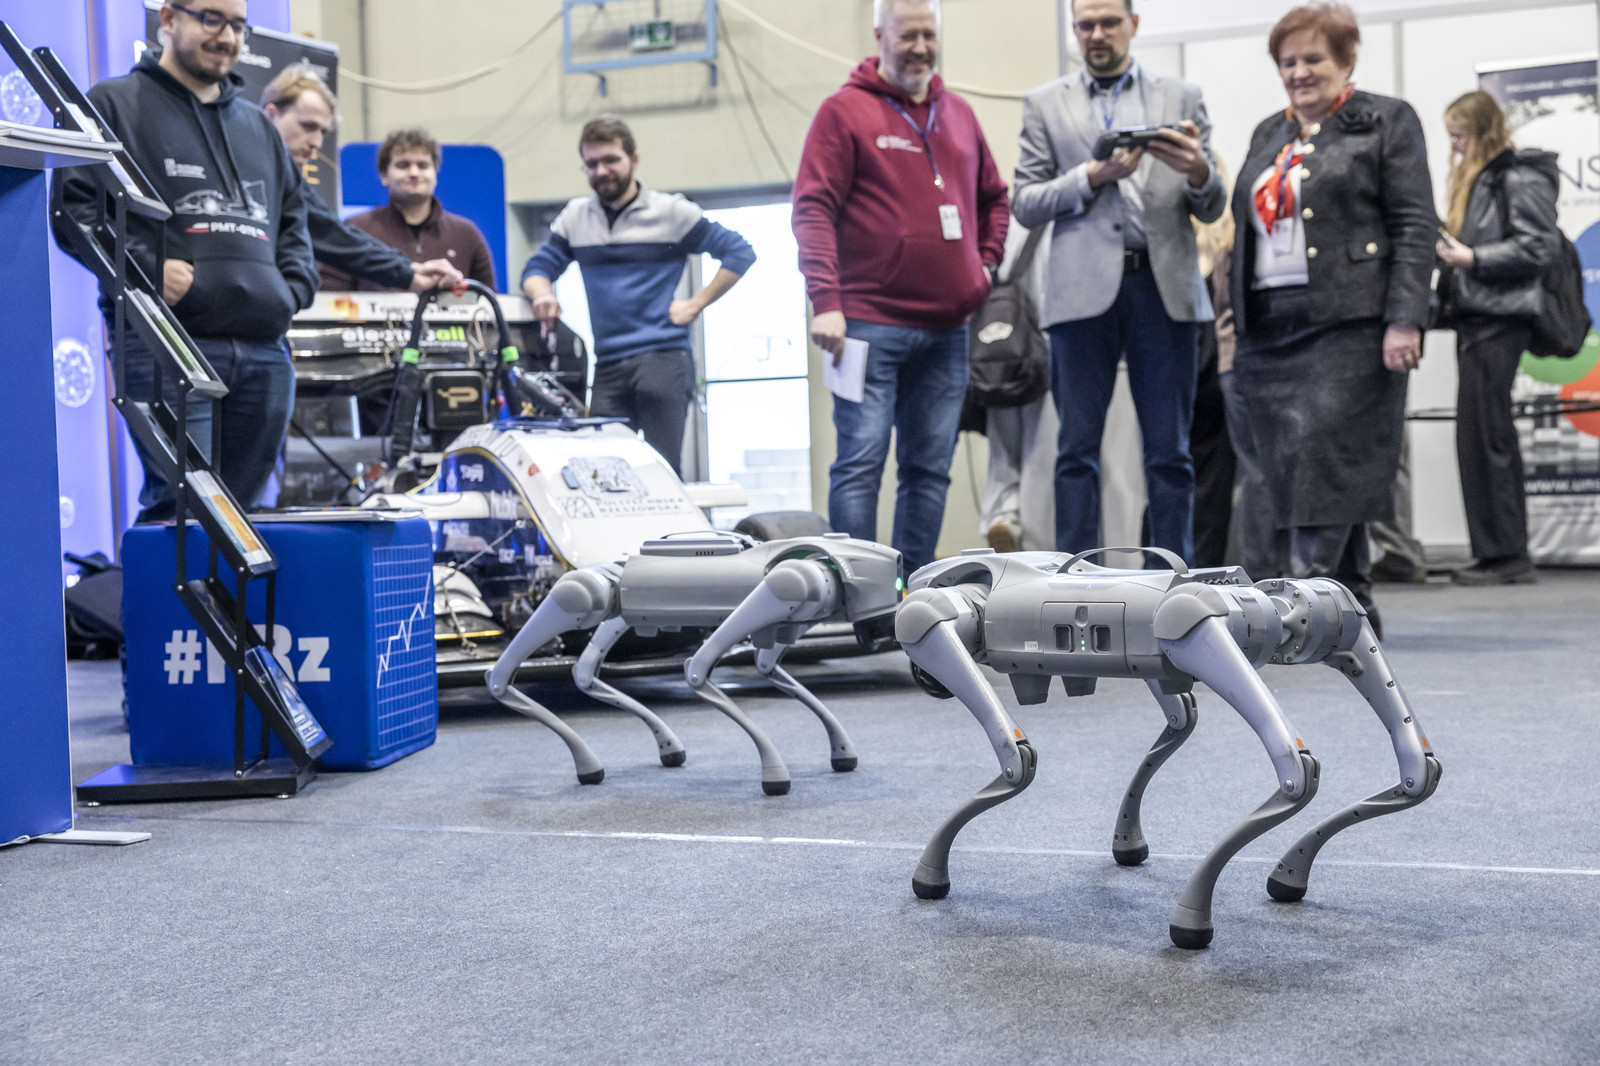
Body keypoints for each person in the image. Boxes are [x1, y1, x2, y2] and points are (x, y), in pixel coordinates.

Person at [54, 0, 316, 521]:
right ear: (169, 19)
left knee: (241, 523)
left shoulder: (259, 127)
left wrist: (290, 291)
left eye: (238, 25)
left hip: (264, 352)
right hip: (167, 343)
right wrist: (148, 271)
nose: (227, 37)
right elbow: (74, 211)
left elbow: (294, 224)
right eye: (211, 19)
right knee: (182, 512)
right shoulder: (111, 103)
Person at [1227, 2, 1435, 635]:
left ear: (1346, 60)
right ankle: (1349, 607)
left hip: (1351, 323)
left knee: (1328, 461)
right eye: (1288, 62)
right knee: (1279, 468)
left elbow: (1414, 225)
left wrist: (1406, 319)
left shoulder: (1387, 121)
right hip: (1270, 327)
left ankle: (1302, 605)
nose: (1299, 72)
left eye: (1313, 58)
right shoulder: (1270, 131)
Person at [793, 0, 1010, 573]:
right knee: (860, 463)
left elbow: (995, 198)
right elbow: (812, 209)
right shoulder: (843, 112)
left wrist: (985, 266)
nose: (920, 47)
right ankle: (859, 594)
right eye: (907, 35)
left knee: (929, 470)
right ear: (880, 36)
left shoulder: (958, 113)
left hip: (947, 331)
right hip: (865, 325)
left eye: (928, 35)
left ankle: (915, 594)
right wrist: (825, 301)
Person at [1013, 0, 1227, 563]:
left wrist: (1198, 171)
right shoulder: (1044, 103)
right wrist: (1091, 176)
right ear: (1074, 30)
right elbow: (1025, 203)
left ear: (1134, 24)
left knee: (1170, 453)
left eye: (1109, 22)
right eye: (1085, 25)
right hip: (1080, 293)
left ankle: (1172, 579)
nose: (1097, 34)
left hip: (1164, 288)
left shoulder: (1181, 96)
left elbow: (1211, 206)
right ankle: (1074, 583)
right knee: (1075, 452)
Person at [521, 116, 755, 474]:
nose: (601, 171)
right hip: (608, 364)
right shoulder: (576, 217)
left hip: (663, 358)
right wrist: (542, 294)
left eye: (611, 160)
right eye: (592, 164)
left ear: (634, 159)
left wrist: (697, 303)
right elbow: (537, 268)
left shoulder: (671, 212)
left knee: (662, 471)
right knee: (604, 472)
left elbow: (739, 252)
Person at [1436, 89, 1559, 585]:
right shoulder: (1485, 179)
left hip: (1500, 320)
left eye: (1460, 136)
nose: (1454, 147)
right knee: (1476, 438)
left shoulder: (1517, 176)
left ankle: (1508, 555)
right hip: (1477, 318)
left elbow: (1539, 247)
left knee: (1489, 437)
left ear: (1482, 131)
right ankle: (1494, 551)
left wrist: (1472, 258)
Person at [260, 65, 463, 295]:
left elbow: (331, 234)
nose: (317, 142)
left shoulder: (287, 178)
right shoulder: (242, 164)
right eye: (308, 126)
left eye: (322, 132)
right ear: (271, 114)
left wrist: (409, 271)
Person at [320, 128, 496, 291]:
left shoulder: (466, 234)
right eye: (403, 165)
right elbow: (330, 298)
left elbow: (488, 303)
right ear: (384, 176)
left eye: (423, 165)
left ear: (435, 175)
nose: (414, 173)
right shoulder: (355, 230)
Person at [978, 218, 1057, 554]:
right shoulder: (1056, 209)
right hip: (1037, 340)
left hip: (1008, 340)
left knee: (1006, 446)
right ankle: (1030, 539)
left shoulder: (1012, 216)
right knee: (1038, 449)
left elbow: (1000, 265)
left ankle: (1004, 515)